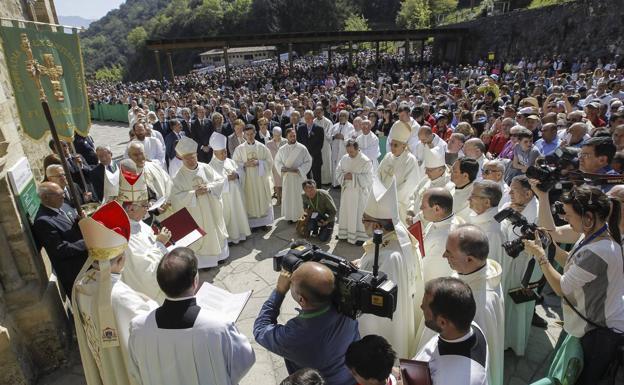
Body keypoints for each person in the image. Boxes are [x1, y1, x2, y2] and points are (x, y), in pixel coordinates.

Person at [522, 185, 624, 385]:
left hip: (597, 333)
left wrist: (541, 257)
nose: (565, 219)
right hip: (585, 324)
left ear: (588, 217)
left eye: (569, 215)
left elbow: (562, 287)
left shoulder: (600, 251)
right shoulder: (594, 236)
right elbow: (572, 261)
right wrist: (550, 246)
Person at [129, 247, 255, 385]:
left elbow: (136, 371)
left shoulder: (138, 328)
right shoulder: (219, 326)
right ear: (195, 281)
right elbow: (245, 360)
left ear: (161, 285)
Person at [72, 201, 158, 385]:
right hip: (125, 368)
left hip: (104, 363)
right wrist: (151, 304)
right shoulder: (120, 296)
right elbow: (150, 328)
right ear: (121, 260)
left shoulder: (81, 285)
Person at [253, 261, 360, 385]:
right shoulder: (348, 304)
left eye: (291, 282)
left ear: (301, 299)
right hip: (354, 376)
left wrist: (279, 290)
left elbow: (260, 329)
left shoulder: (295, 336)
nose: (289, 281)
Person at [355, 178, 424, 358]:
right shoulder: (398, 237)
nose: (362, 223)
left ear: (377, 226)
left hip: (383, 321)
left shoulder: (390, 256)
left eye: (364, 220)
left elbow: (376, 298)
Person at [443, 225, 505, 385]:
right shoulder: (481, 270)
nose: (444, 256)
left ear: (469, 259)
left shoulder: (476, 304)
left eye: (449, 253)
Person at [414, 277, 488, 385]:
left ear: (443, 323)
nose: (421, 307)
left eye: (425, 307)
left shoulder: (456, 379)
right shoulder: (470, 327)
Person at [117, 159, 170, 304]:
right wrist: (159, 243)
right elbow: (145, 272)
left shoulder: (137, 222)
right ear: (131, 208)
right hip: (148, 296)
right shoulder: (125, 235)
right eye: (144, 205)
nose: (148, 208)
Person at [171, 137, 229, 268]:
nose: (191, 161)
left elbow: (220, 181)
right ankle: (205, 263)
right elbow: (176, 197)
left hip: (211, 208)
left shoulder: (206, 167)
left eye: (193, 157)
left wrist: (208, 188)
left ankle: (221, 256)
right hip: (195, 214)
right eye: (187, 158)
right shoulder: (178, 177)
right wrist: (194, 194)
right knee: (201, 237)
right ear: (182, 159)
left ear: (197, 155)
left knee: (215, 230)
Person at [501, 175, 541, 356]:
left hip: (525, 267)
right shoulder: (509, 205)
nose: (509, 193)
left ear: (528, 193)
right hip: (505, 263)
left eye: (513, 190)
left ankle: (515, 343)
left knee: (518, 306)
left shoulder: (539, 214)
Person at [32, 182, 88, 298]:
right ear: (45, 197)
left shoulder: (63, 205)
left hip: (87, 265)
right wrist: (86, 243)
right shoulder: (43, 221)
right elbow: (59, 249)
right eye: (59, 194)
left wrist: (80, 221)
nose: (63, 196)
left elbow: (71, 228)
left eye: (63, 193)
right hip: (74, 273)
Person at [209, 132, 252, 244]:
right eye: (221, 153)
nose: (224, 154)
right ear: (214, 153)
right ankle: (232, 237)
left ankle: (242, 234)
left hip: (237, 194)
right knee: (230, 216)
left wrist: (237, 175)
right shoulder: (210, 167)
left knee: (239, 213)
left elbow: (241, 171)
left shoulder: (230, 161)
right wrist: (226, 179)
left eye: (225, 152)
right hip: (226, 197)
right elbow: (212, 185)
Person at [377, 118, 421, 222]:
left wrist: (390, 196)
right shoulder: (388, 157)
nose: (392, 147)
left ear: (404, 145)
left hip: (399, 203)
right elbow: (378, 174)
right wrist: (380, 192)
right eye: (391, 144)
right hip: (383, 200)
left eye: (395, 145)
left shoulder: (410, 160)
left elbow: (409, 185)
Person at [232, 124, 275, 229]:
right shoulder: (239, 149)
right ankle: (253, 224)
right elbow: (234, 163)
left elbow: (269, 162)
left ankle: (263, 222)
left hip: (260, 179)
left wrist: (259, 162)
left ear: (255, 133)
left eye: (252, 134)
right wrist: (244, 164)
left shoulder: (262, 147)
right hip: (247, 180)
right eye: (247, 134)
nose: (250, 136)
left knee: (262, 198)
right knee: (250, 199)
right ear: (244, 135)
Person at [419, 188, 462, 281]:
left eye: (424, 206)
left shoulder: (446, 238)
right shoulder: (436, 221)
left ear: (437, 209)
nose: (420, 208)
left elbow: (431, 274)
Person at [335, 140, 373, 245]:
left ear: (357, 149)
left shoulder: (365, 161)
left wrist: (353, 176)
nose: (349, 154)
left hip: (359, 194)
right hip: (347, 192)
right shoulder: (344, 158)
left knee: (358, 216)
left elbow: (369, 178)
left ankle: (360, 237)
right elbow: (338, 171)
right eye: (348, 151)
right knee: (346, 213)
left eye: (351, 152)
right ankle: (344, 234)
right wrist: (343, 176)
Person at [407, 147, 454, 225]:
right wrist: (410, 211)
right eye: (426, 169)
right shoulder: (426, 179)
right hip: (414, 222)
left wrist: (415, 220)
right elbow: (414, 195)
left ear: (441, 169)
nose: (426, 172)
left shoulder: (448, 186)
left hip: (429, 226)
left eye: (430, 170)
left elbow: (436, 209)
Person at [127, 141, 173, 220]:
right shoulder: (129, 176)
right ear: (129, 156)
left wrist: (168, 201)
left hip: (168, 208)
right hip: (151, 217)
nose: (140, 157)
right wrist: (153, 210)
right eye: (135, 155)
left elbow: (169, 183)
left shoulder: (153, 165)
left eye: (141, 153)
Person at [275, 128, 313, 222]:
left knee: (299, 196)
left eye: (294, 136)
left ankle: (300, 215)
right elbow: (277, 161)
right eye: (291, 136)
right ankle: (289, 217)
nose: (293, 137)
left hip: (298, 177)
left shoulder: (302, 148)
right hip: (288, 177)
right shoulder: (282, 149)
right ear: (286, 137)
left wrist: (299, 170)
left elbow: (308, 161)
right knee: (288, 197)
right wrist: (282, 168)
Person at [467, 180, 506, 266]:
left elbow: (490, 266)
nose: (468, 198)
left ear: (487, 202)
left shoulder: (492, 231)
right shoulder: (478, 218)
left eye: (473, 195)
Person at [297, 110, 325, 187]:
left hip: (315, 157)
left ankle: (318, 193)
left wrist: (311, 155)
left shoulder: (319, 129)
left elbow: (320, 145)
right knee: (306, 178)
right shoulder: (300, 128)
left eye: (309, 118)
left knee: (317, 177)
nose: (308, 120)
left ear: (313, 118)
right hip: (304, 158)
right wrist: (306, 155)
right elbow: (299, 143)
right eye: (306, 118)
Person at [450, 157, 479, 222]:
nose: (450, 172)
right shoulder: (450, 186)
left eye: (454, 171)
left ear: (465, 176)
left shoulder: (473, 197)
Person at [332, 110, 355, 187]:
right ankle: (335, 183)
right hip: (335, 149)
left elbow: (352, 139)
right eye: (340, 115)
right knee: (335, 165)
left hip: (344, 151)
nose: (341, 117)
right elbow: (329, 136)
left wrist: (343, 137)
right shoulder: (335, 125)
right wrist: (334, 137)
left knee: (343, 167)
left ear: (347, 117)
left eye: (343, 116)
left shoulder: (351, 127)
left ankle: (343, 184)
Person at [267, 126, 288, 203]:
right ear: (273, 134)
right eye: (276, 135)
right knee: (276, 184)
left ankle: (284, 200)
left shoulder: (286, 141)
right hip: (274, 167)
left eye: (279, 135)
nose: (278, 137)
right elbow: (268, 156)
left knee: (284, 184)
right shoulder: (268, 144)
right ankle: (278, 200)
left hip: (284, 165)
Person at [314, 106, 334, 186]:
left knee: (326, 161)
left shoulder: (328, 122)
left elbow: (330, 134)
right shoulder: (313, 121)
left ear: (323, 112)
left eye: (319, 112)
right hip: (316, 145)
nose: (318, 114)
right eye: (316, 112)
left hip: (325, 144)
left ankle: (326, 180)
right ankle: (317, 179)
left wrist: (324, 133)